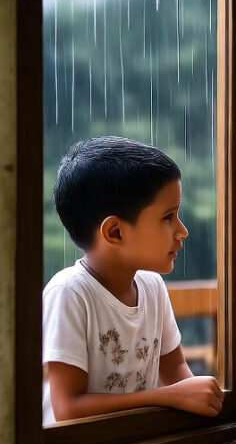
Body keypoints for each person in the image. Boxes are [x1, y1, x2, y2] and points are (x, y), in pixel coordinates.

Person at [43, 136, 224, 423]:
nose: (182, 230)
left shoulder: (152, 288)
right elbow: (67, 409)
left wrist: (198, 398)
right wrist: (164, 397)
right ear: (115, 232)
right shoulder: (70, 294)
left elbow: (176, 370)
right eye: (168, 217)